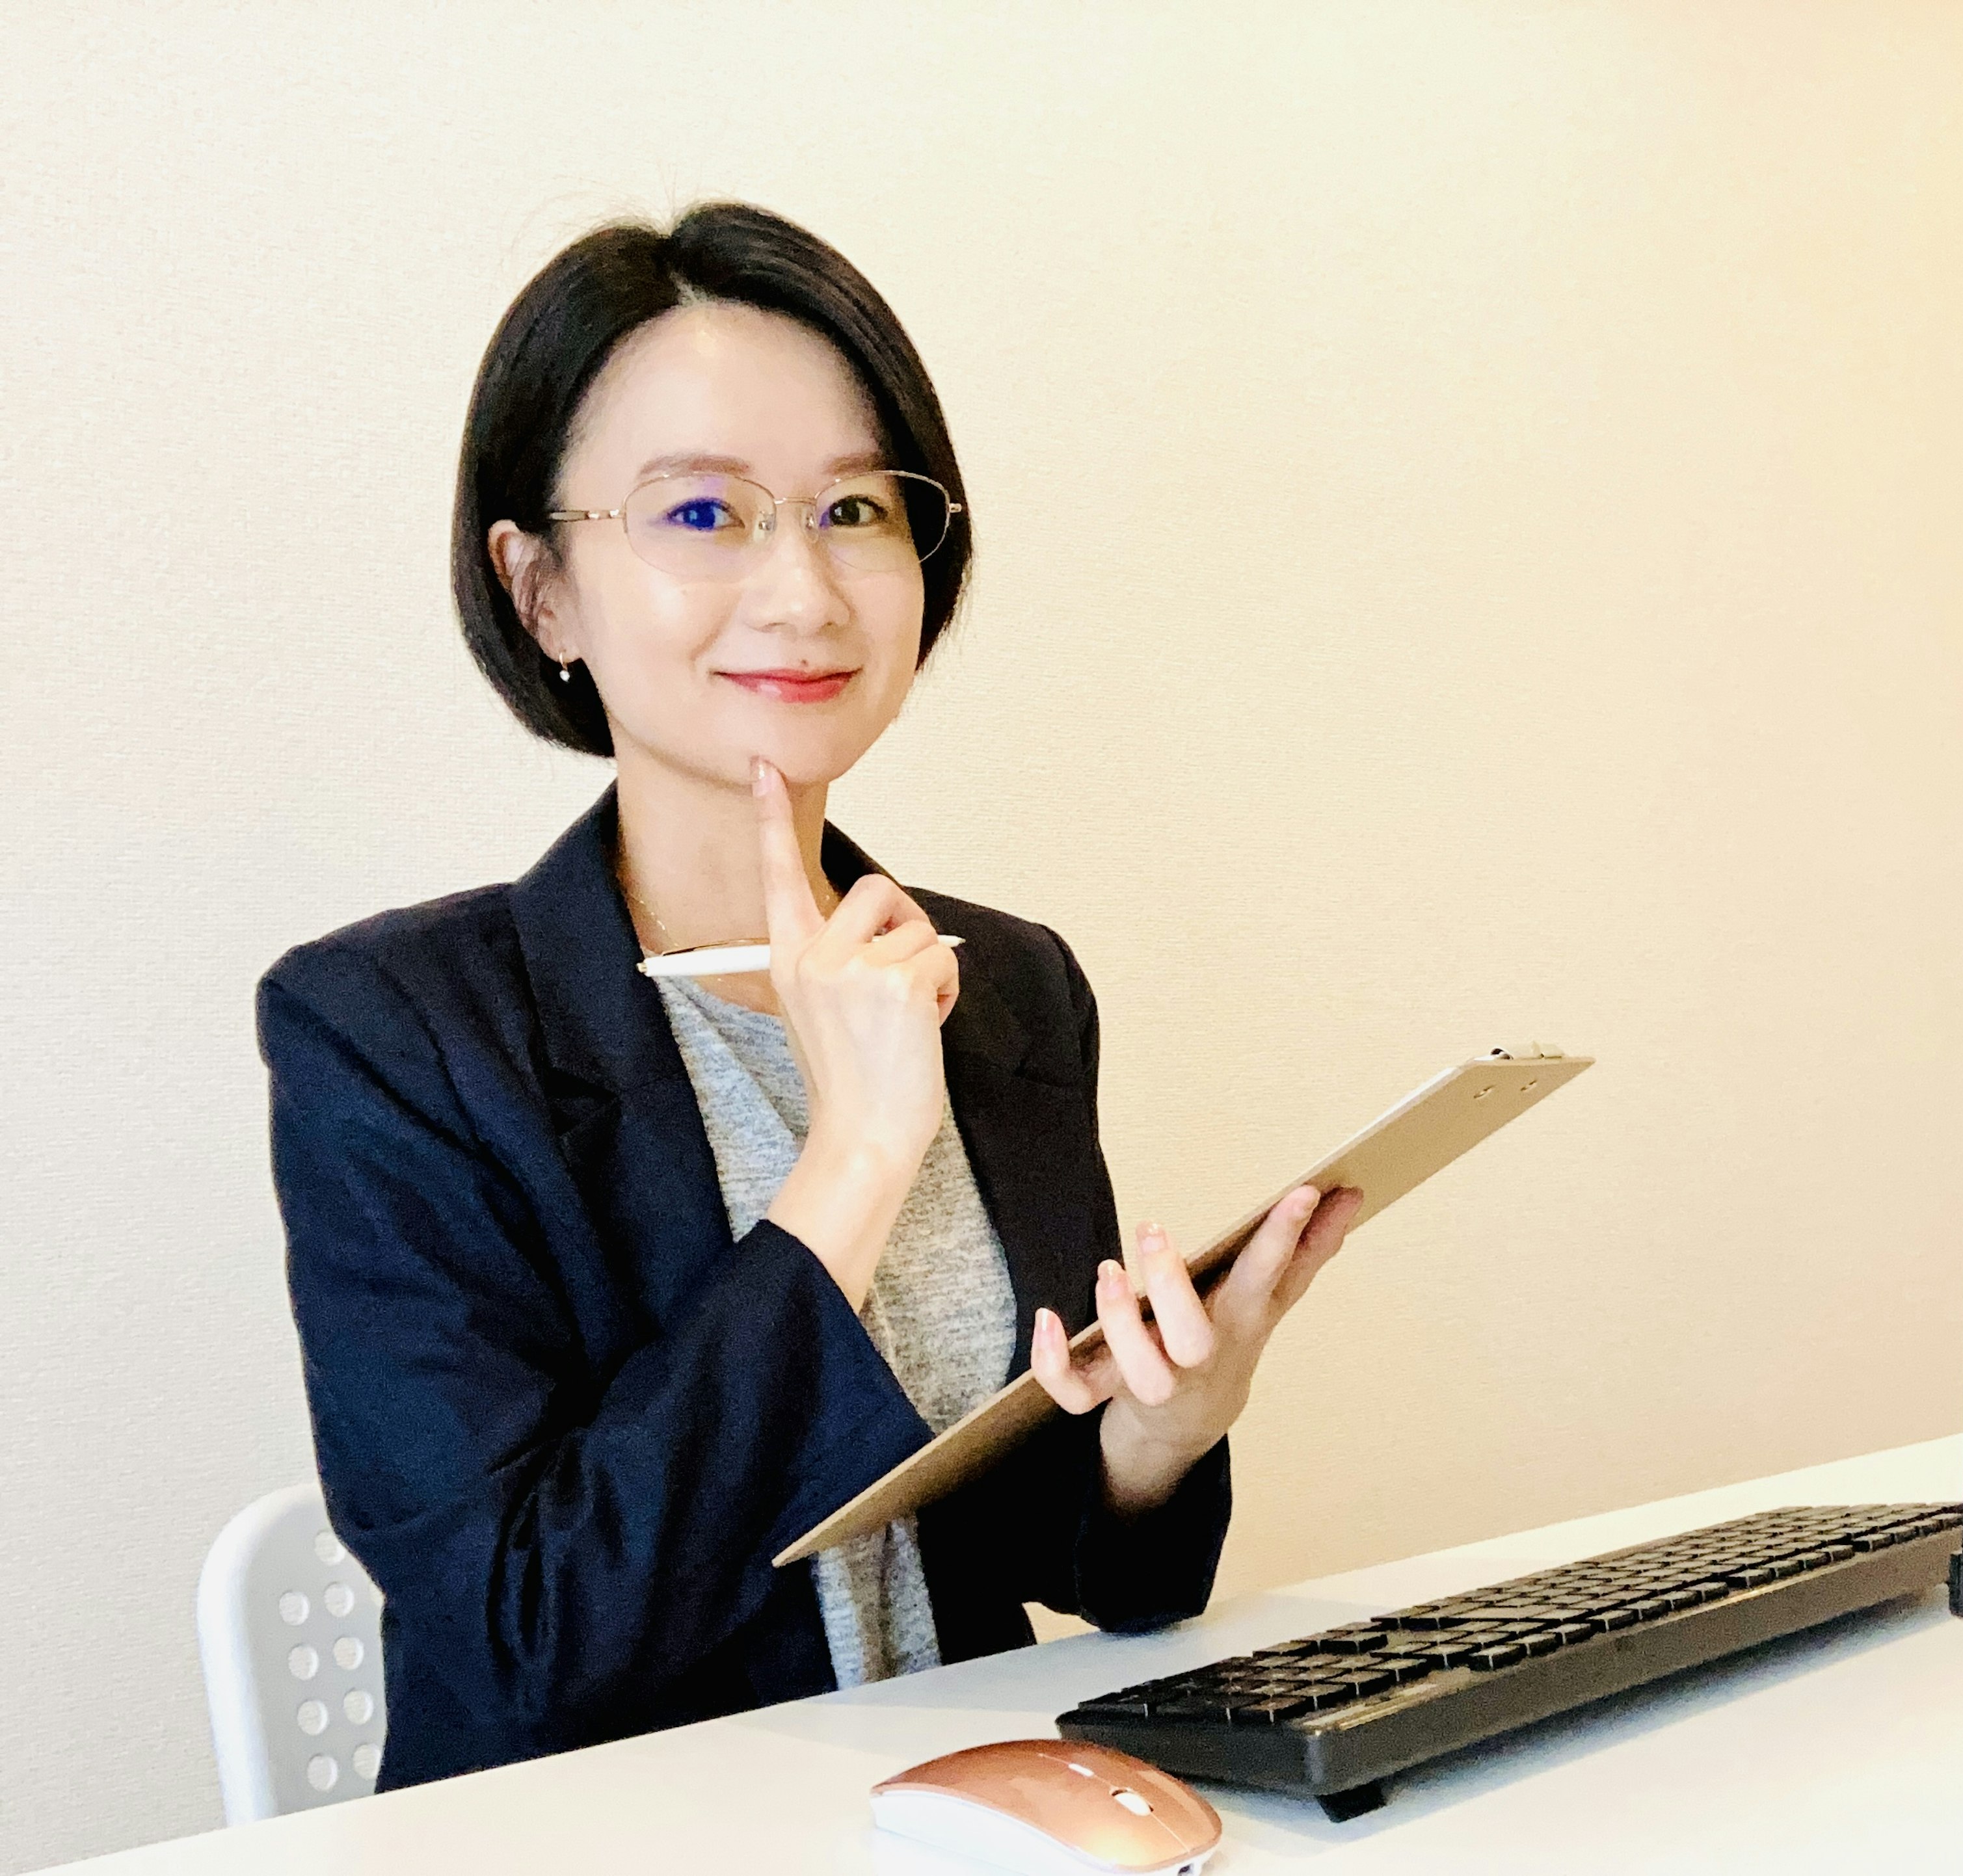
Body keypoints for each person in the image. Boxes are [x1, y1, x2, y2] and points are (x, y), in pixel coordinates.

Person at [256, 200, 1361, 1790]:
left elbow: (1074, 1568)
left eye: (856, 508)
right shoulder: (394, 1033)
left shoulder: (1008, 983)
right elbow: (526, 1634)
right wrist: (849, 1166)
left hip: (962, 1813)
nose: (805, 590)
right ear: (541, 589)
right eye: (703, 516)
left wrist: (1156, 1440)